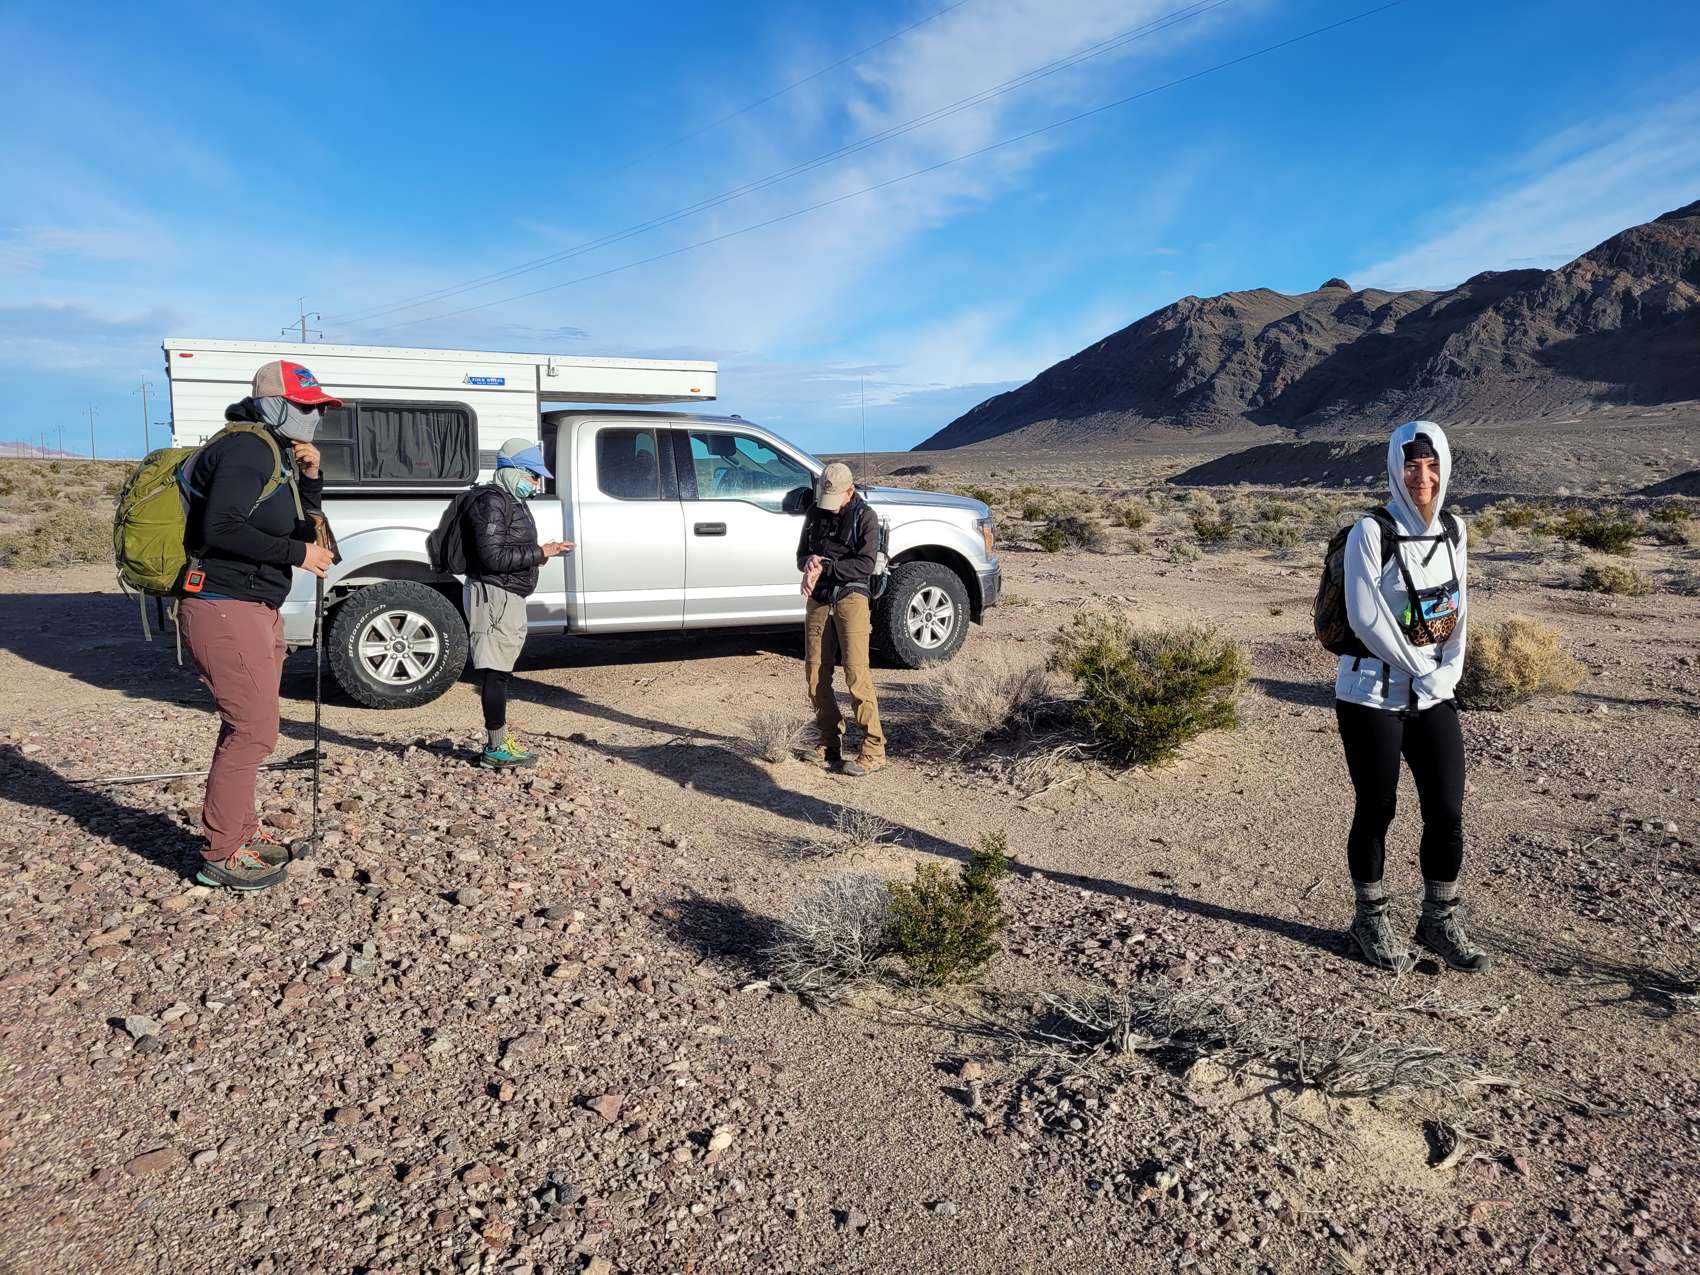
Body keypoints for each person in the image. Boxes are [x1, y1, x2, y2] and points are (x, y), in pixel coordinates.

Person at [179, 360, 339, 892]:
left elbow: (300, 526)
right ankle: (222, 853)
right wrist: (299, 556)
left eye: (319, 407)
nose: (315, 415)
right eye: (305, 405)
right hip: (224, 603)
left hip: (252, 604)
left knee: (249, 726)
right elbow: (220, 527)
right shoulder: (248, 448)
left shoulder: (276, 451)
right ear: (273, 404)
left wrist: (311, 479)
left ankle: (241, 833)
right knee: (253, 730)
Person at [1336, 420, 1488, 974]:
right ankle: (1369, 919)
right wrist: (1423, 668)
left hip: (1434, 694)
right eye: (1411, 464)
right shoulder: (1369, 532)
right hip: (1369, 694)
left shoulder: (1454, 529)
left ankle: (1438, 919)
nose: (1422, 477)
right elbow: (1365, 617)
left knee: (1446, 810)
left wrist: (1449, 673)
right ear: (1393, 468)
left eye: (1431, 464)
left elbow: (1460, 607)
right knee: (1377, 808)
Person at [463, 438, 571, 769]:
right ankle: (495, 749)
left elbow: (504, 549)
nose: (536, 482)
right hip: (495, 596)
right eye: (532, 475)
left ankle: (498, 743)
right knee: (496, 673)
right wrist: (540, 553)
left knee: (501, 671)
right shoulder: (492, 502)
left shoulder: (509, 500)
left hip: (506, 594)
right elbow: (493, 557)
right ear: (513, 470)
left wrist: (542, 553)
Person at [798, 462, 885, 776]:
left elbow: (865, 565)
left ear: (851, 490)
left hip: (851, 596)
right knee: (815, 673)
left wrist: (826, 566)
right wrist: (809, 563)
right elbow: (801, 555)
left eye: (836, 500)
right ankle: (829, 740)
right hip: (819, 597)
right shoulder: (815, 512)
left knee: (856, 673)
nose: (831, 507)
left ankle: (874, 749)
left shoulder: (865, 517)